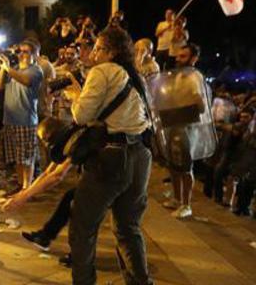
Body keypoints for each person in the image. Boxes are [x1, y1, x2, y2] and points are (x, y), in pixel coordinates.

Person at [63, 27, 153, 285]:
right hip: (141, 156)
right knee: (128, 228)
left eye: (99, 48)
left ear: (111, 52)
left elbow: (81, 115)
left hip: (113, 158)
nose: (93, 52)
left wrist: (74, 96)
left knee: (82, 227)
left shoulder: (102, 71)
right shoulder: (135, 76)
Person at [161, 43, 204, 219]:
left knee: (185, 166)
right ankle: (177, 199)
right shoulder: (177, 76)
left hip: (187, 124)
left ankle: (186, 204)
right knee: (173, 164)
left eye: (183, 56)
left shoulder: (194, 77)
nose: (178, 59)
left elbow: (200, 104)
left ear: (194, 58)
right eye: (178, 56)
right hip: (172, 122)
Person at [0, 40, 43, 191]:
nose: (21, 54)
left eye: (26, 51)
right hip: (10, 120)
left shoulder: (35, 70)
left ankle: (27, 187)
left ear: (34, 54)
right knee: (17, 157)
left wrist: (8, 69)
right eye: (19, 51)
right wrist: (4, 69)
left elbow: (26, 81)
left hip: (26, 120)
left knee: (27, 157)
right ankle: (20, 184)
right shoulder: (12, 69)